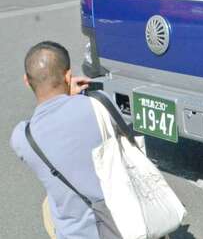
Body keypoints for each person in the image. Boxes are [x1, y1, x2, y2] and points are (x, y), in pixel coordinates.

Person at [9, 42, 122, 238]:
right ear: (68, 76)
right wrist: (71, 96)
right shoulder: (100, 104)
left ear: (27, 81)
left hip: (75, 234)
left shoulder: (22, 137)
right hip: (125, 223)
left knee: (49, 203)